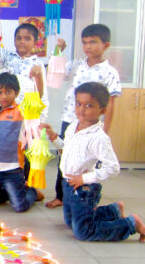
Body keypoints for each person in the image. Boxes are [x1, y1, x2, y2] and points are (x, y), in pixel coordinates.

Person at [41, 82, 145, 242]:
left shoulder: (99, 138)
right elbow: (66, 149)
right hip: (68, 184)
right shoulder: (73, 126)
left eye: (89, 105)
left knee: (83, 232)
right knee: (71, 222)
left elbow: (113, 168)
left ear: (102, 110)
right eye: (78, 104)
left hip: (84, 189)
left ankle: (131, 224)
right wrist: (55, 138)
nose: (81, 109)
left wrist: (84, 179)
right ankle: (114, 211)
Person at [46, 24, 122, 209]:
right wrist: (58, 52)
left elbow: (111, 103)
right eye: (85, 43)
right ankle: (61, 195)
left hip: (93, 124)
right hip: (70, 119)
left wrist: (106, 129)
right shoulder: (76, 65)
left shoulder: (109, 72)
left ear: (106, 45)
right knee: (65, 157)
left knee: (90, 161)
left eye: (93, 42)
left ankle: (87, 197)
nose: (88, 46)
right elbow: (55, 74)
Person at [0, 72, 44, 212]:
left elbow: (36, 100)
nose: (4, 96)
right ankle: (12, 191)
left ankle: (31, 192)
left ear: (17, 92)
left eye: (8, 92)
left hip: (12, 169)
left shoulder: (20, 111)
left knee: (19, 206)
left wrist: (38, 78)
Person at [0, 23, 48, 120]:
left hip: (28, 112)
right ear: (14, 41)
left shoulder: (37, 65)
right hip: (9, 109)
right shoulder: (8, 57)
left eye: (27, 39)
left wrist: (41, 117)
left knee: (24, 134)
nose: (22, 42)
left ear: (35, 43)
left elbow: (40, 94)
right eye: (19, 38)